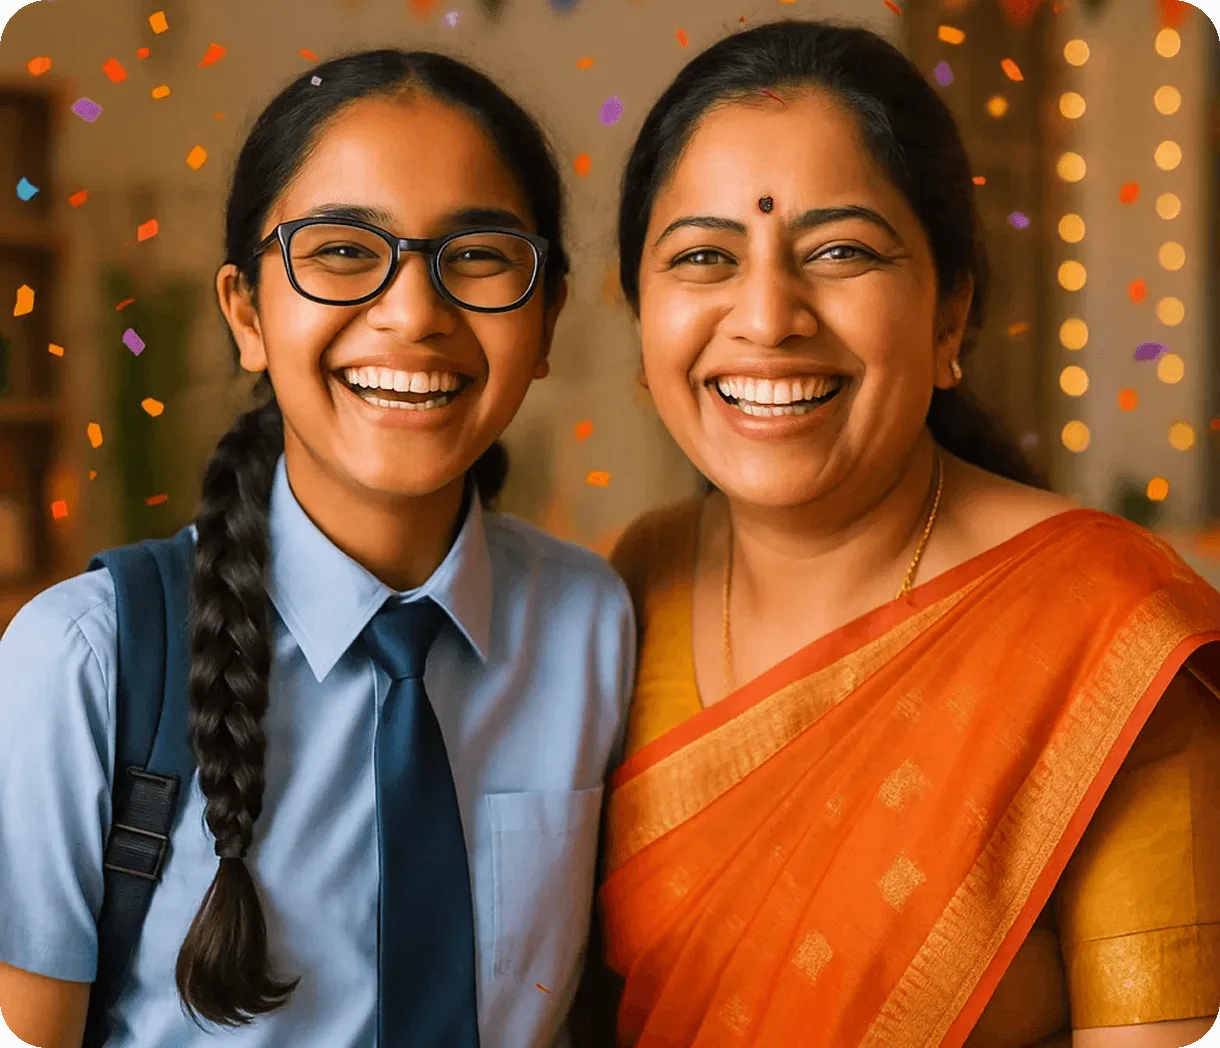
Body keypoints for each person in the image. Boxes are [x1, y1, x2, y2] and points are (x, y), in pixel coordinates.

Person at [593, 19, 1220, 1048]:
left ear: (947, 316)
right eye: (703, 257)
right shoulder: (620, 590)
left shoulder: (1110, 636)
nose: (767, 316)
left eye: (839, 251)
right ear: (640, 316)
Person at [0, 49, 633, 1048]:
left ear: (546, 316)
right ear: (246, 312)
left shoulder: (595, 623)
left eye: (477, 256)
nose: (413, 314)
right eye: (341, 250)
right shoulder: (83, 660)